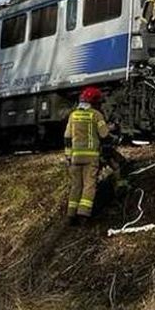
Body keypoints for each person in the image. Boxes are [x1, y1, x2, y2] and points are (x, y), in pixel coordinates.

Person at [64, 86, 111, 225]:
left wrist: (68, 156)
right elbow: (104, 134)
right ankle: (83, 215)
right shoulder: (96, 115)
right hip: (91, 157)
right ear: (95, 102)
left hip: (75, 157)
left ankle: (70, 215)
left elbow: (67, 137)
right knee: (89, 185)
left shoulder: (73, 115)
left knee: (76, 186)